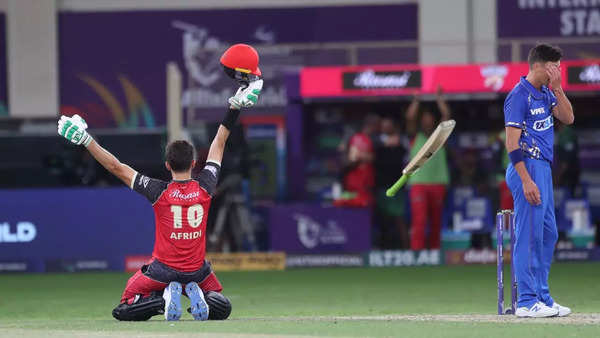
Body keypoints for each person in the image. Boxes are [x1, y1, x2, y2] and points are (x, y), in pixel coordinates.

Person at [57, 53, 263, 321]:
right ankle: (193, 293)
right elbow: (220, 142)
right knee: (222, 307)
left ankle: (162, 300)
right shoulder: (206, 186)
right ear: (193, 162)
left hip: (162, 270)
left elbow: (116, 167)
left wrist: (86, 140)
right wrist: (234, 107)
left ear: (167, 165)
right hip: (198, 272)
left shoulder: (158, 191)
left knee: (123, 308)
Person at [504, 43, 574, 318]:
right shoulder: (518, 96)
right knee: (529, 236)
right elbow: (511, 143)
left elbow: (568, 117)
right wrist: (525, 180)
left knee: (548, 234)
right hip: (526, 168)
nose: (558, 71)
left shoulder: (547, 92)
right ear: (540, 66)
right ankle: (526, 301)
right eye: (555, 66)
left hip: (542, 168)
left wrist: (557, 87)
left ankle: (542, 297)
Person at [405, 85, 451, 250]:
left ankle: (435, 252)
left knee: (436, 220)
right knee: (419, 219)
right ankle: (417, 253)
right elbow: (410, 118)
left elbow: (446, 116)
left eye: (429, 119)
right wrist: (416, 100)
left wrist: (439, 99)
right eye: (424, 119)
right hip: (418, 183)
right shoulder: (415, 136)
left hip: (438, 183)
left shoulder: (440, 137)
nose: (427, 121)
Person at [374, 116, 409, 248]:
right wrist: (385, 145)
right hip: (382, 185)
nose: (386, 127)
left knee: (400, 219)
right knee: (383, 219)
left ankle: (407, 250)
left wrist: (397, 144)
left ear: (393, 126)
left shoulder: (402, 140)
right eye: (384, 125)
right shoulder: (376, 140)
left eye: (388, 125)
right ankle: (384, 248)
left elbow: (406, 156)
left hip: (397, 185)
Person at [334, 114, 379, 207]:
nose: (377, 129)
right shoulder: (359, 138)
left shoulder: (370, 139)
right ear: (370, 125)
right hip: (357, 181)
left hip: (366, 182)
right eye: (376, 126)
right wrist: (368, 157)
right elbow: (354, 157)